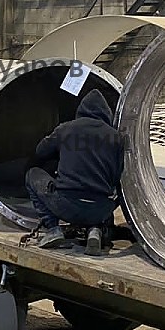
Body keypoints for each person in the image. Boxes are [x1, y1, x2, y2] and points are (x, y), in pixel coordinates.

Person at [25, 90, 125, 255]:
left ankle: (52, 229)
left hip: (66, 205)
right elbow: (117, 176)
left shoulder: (67, 128)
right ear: (106, 113)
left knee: (32, 174)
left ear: (81, 110)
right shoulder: (117, 138)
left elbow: (40, 151)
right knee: (105, 190)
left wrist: (62, 152)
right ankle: (95, 230)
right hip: (101, 210)